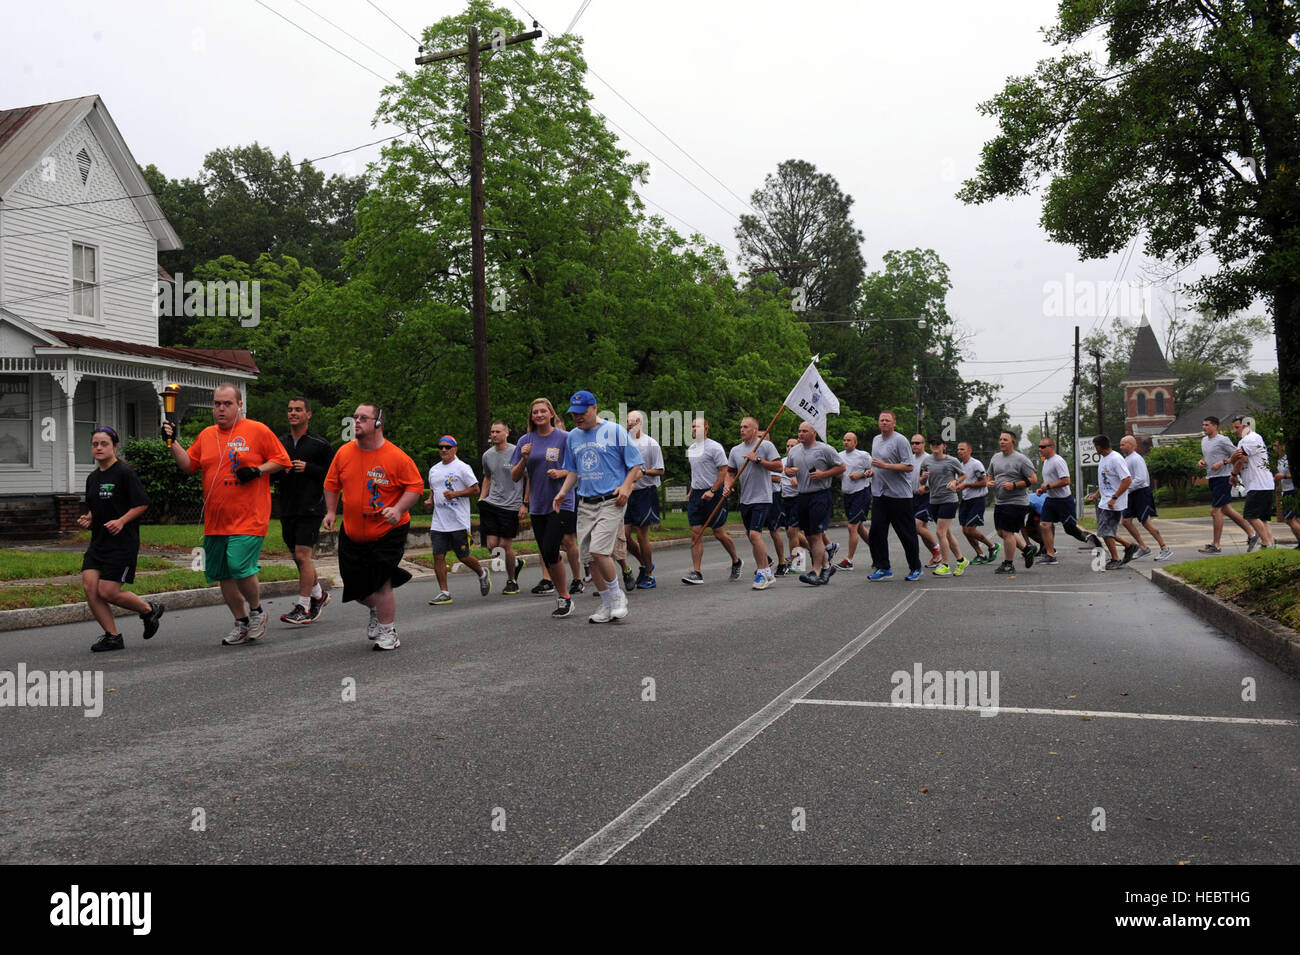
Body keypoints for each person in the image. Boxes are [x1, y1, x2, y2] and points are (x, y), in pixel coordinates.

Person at [161, 383, 289, 645]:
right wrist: (172, 443)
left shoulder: (257, 430)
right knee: (223, 573)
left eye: (227, 403)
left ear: (239, 405)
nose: (220, 408)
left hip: (249, 516)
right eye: (217, 403)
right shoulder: (207, 435)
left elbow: (282, 460)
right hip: (216, 519)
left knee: (239, 564)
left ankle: (256, 611)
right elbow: (189, 465)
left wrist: (257, 471)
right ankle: (241, 622)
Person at [322, 402, 423, 651]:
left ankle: (389, 632)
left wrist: (398, 509)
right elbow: (331, 484)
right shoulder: (344, 453)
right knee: (355, 585)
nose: (356, 421)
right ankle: (377, 610)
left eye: (363, 418)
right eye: (355, 417)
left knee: (381, 581)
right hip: (352, 531)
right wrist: (332, 511)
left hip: (388, 530)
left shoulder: (396, 456)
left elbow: (415, 487)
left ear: (378, 423)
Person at [553, 390, 643, 624]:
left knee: (599, 550)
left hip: (611, 501)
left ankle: (617, 596)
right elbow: (573, 469)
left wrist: (625, 486)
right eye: (574, 415)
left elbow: (635, 466)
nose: (578, 418)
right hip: (585, 503)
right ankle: (605, 602)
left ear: (594, 408)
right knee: (588, 558)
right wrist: (563, 492)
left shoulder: (614, 431)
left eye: (582, 413)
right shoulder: (573, 436)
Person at [78, 426, 164, 652]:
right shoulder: (92, 478)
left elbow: (141, 503)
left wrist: (122, 521)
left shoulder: (125, 474)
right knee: (90, 588)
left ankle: (148, 609)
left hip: (122, 543)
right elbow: (99, 506)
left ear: (115, 446)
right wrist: (89, 517)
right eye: (95, 444)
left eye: (104, 444)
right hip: (98, 543)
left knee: (108, 592)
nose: (98, 448)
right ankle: (112, 637)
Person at [511, 398, 580, 617]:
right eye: (535, 412)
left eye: (543, 411)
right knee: (547, 552)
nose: (539, 415)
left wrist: (561, 473)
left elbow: (578, 469)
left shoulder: (565, 438)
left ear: (551, 413)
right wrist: (524, 458)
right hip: (538, 505)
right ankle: (564, 596)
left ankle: (564, 595)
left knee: (551, 547)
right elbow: (514, 476)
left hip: (562, 501)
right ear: (531, 417)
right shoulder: (525, 440)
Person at [276, 396, 335, 625]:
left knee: (303, 555)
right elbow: (271, 471)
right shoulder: (279, 442)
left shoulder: (320, 444)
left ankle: (303, 607)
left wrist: (308, 467)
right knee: (298, 558)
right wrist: (283, 470)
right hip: (288, 506)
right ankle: (319, 595)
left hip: (311, 506)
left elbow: (333, 475)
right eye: (290, 409)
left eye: (298, 410)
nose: (293, 413)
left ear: (308, 414)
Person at [425, 436, 491, 605]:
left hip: (458, 520)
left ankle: (482, 573)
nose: (444, 450)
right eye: (441, 447)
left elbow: (475, 489)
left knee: (463, 556)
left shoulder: (462, 467)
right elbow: (434, 490)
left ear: (455, 449)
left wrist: (455, 494)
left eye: (448, 447)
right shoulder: (434, 470)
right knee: (438, 555)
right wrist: (430, 500)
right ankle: (444, 592)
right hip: (439, 521)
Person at [724, 417, 784, 589]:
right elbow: (730, 472)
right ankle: (766, 571)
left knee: (754, 534)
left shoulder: (765, 446)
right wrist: (727, 486)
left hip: (763, 497)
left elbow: (779, 467)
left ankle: (763, 572)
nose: (742, 429)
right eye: (740, 426)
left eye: (746, 427)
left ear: (755, 430)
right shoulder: (736, 450)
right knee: (752, 536)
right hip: (746, 499)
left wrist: (758, 460)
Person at [682, 417, 741, 584]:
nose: (694, 429)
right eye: (693, 426)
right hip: (696, 495)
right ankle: (697, 572)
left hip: (713, 494)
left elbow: (724, 471)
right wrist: (691, 491)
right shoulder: (692, 448)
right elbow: (697, 473)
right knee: (695, 533)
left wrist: (713, 490)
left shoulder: (715, 447)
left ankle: (736, 561)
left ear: (706, 428)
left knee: (718, 533)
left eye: (698, 426)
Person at [785, 421, 845, 584]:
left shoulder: (825, 449)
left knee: (816, 535)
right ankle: (826, 566)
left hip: (820, 495)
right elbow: (787, 468)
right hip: (802, 496)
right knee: (810, 536)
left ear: (814, 433)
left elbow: (842, 467)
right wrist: (788, 471)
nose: (801, 434)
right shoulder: (795, 450)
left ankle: (815, 571)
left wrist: (824, 474)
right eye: (799, 431)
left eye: (804, 431)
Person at [867, 411, 922, 581]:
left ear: (894, 423)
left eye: (887, 420)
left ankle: (915, 567)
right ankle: (883, 567)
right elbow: (877, 465)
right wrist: (872, 471)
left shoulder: (900, 440)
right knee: (876, 532)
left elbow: (909, 466)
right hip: (880, 494)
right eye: (881, 420)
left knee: (906, 533)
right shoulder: (876, 440)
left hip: (899, 496)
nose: (884, 422)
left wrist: (885, 465)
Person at [479, 420, 527, 595]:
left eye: (498, 431)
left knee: (505, 545)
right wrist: (482, 498)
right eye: (492, 432)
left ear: (507, 432)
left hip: (511, 505)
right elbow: (487, 477)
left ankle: (512, 580)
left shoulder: (516, 452)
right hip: (492, 503)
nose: (494, 435)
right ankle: (514, 563)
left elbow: (528, 477)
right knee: (492, 545)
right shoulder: (487, 455)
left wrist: (524, 503)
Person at [1035, 436, 1100, 563]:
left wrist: (1048, 486)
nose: (1040, 449)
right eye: (1039, 447)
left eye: (1043, 447)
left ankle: (1090, 538)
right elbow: (1049, 481)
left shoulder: (1058, 461)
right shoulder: (1046, 462)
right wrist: (1042, 489)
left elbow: (1066, 481)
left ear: (1051, 447)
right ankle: (1050, 555)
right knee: (1044, 524)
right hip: (1051, 499)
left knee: (1070, 529)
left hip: (1064, 500)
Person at [985, 430, 1039, 574]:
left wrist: (1014, 485)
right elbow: (989, 476)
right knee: (1001, 532)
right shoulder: (995, 458)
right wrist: (989, 483)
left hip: (1017, 501)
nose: (1002, 442)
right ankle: (1027, 550)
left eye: (1005, 439)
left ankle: (1008, 564)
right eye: (1001, 439)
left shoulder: (1021, 459)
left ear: (1012, 442)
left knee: (1008, 532)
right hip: (1000, 501)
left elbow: (1034, 479)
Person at [1197, 416, 1253, 553]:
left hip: (1223, 478)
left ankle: (1216, 545)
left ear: (1215, 426)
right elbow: (1209, 456)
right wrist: (1202, 461)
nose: (1204, 427)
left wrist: (1223, 462)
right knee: (1227, 510)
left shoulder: (1223, 440)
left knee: (1215, 511)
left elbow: (1238, 455)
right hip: (1212, 477)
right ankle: (1252, 534)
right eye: (1203, 424)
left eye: (1207, 425)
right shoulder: (1204, 440)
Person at [1084, 434, 1138, 570]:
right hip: (1105, 500)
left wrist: (1114, 498)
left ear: (1099, 446)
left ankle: (1116, 558)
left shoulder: (1116, 459)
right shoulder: (1104, 459)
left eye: (1095, 446)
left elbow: (1127, 480)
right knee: (1106, 530)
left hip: (1113, 503)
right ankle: (1129, 546)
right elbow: (1105, 480)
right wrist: (1096, 494)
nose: (1094, 449)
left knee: (1106, 531)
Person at [624, 410, 664, 589]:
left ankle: (649, 574)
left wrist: (644, 472)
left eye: (634, 421)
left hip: (645, 492)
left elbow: (660, 470)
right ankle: (645, 563)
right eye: (628, 421)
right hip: (627, 492)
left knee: (641, 534)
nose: (630, 424)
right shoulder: (622, 442)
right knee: (623, 536)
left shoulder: (650, 443)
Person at [1119, 435, 1174, 560]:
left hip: (1141, 493)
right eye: (1121, 444)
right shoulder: (1126, 459)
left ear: (1131, 445)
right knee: (1126, 522)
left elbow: (1141, 478)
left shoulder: (1137, 459)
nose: (1121, 447)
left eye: (1123, 444)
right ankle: (1143, 547)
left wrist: (1126, 488)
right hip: (1131, 494)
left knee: (1146, 522)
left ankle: (1165, 548)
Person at [1229, 415, 1274, 550]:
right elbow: (1237, 459)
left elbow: (1240, 459)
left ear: (1246, 426)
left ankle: (1267, 543)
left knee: (1250, 515)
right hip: (1263, 484)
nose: (1235, 431)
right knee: (1262, 519)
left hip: (1258, 484)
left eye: (1237, 427)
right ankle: (1270, 544)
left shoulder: (1252, 438)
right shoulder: (1245, 440)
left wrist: (1233, 474)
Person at [922, 437, 966, 576]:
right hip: (934, 500)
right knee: (946, 533)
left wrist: (955, 481)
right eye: (932, 444)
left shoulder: (951, 460)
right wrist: (923, 479)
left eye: (937, 444)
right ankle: (961, 559)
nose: (935, 446)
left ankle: (945, 564)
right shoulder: (927, 460)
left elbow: (963, 475)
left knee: (940, 532)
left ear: (944, 446)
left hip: (949, 499)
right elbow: (921, 479)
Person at [953, 440, 998, 564]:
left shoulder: (976, 464)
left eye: (962, 449)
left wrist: (966, 485)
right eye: (958, 449)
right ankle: (980, 554)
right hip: (966, 500)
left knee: (970, 530)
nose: (959, 452)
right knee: (965, 531)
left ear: (970, 450)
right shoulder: (959, 466)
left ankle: (992, 546)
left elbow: (984, 482)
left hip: (977, 500)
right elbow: (959, 483)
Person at [837, 431, 872, 570]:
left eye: (849, 440)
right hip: (848, 494)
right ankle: (878, 552)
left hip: (861, 493)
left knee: (852, 527)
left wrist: (861, 474)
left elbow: (874, 469)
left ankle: (849, 560)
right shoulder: (839, 456)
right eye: (844, 440)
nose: (846, 442)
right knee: (860, 529)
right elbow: (838, 474)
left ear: (855, 443)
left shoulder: (863, 455)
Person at [910, 434, 942, 567]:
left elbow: (937, 479)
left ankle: (937, 548)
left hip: (926, 497)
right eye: (913, 443)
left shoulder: (929, 459)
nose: (915, 445)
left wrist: (926, 487)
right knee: (922, 529)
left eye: (918, 443)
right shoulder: (909, 459)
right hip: (912, 497)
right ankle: (937, 556)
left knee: (917, 526)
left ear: (924, 444)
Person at [1273, 438, 1300, 548]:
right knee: (1294, 519)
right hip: (1286, 491)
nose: (1275, 448)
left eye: (1276, 445)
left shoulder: (1291, 459)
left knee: (1289, 519)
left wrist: (1283, 476)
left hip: (1293, 491)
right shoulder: (1280, 460)